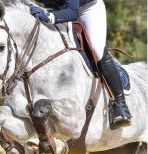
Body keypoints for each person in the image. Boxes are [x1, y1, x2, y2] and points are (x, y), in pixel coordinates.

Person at [30, 0, 132, 130]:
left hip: (86, 9)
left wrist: (50, 17)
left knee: (97, 49)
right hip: (55, 8)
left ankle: (120, 104)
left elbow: (73, 12)